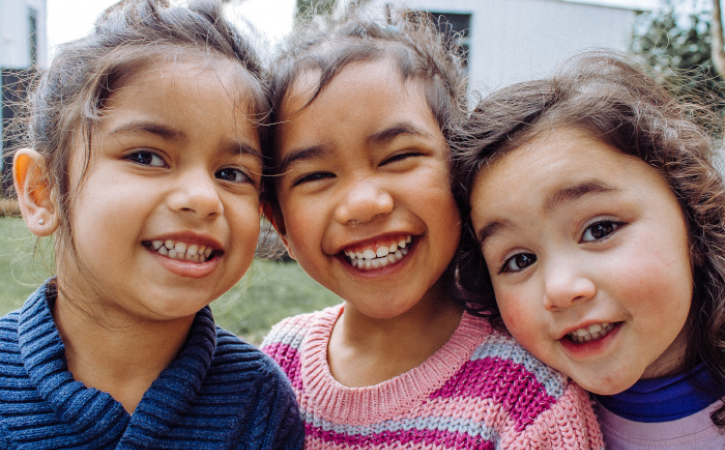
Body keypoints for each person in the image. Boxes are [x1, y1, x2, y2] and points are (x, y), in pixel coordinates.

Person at [259, 8, 604, 449]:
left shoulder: (528, 398)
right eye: (315, 176)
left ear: (460, 172)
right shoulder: (277, 362)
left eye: (398, 156)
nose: (363, 205)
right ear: (279, 223)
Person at [2, 1, 303, 448]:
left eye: (232, 173)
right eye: (146, 157)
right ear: (43, 192)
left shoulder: (259, 401)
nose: (203, 199)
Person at [452, 51, 725, 449]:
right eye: (519, 260)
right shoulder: (517, 424)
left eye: (600, 230)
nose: (561, 289)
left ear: (693, 218)